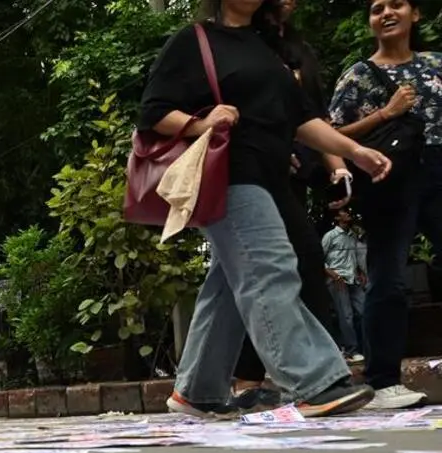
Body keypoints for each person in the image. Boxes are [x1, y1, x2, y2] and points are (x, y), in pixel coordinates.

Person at [141, 0, 388, 420]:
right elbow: (153, 112)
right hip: (229, 174)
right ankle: (314, 381)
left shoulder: (263, 46)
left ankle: (196, 391)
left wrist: (354, 151)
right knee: (271, 267)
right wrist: (203, 123)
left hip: (270, 177)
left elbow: (301, 120)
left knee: (230, 281)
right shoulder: (195, 40)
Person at [228, 0, 353, 411]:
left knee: (239, 278)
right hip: (244, 168)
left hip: (291, 174)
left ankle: (200, 386)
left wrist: (339, 165)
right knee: (289, 261)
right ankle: (314, 379)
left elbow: (311, 116)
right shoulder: (235, 42)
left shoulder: (298, 50)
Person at [330, 0, 434, 409]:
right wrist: (385, 114)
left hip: (439, 171)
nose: (387, 13)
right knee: (387, 276)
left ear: (415, 14)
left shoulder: (435, 64)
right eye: (377, 8)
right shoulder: (358, 75)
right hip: (391, 175)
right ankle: (383, 380)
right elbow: (331, 134)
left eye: (396, 4)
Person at [322, 209, 370, 362]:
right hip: (338, 280)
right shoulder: (330, 236)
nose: (349, 213)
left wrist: (360, 272)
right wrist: (333, 274)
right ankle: (351, 350)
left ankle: (364, 348)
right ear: (337, 217)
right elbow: (318, 258)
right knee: (346, 316)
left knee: (363, 312)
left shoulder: (352, 236)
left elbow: (353, 256)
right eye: (344, 212)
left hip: (353, 279)